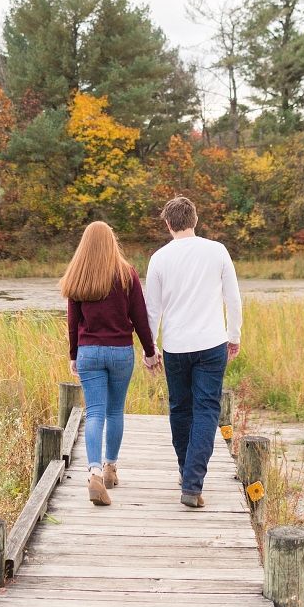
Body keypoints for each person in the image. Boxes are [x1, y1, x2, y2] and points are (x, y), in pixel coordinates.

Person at [144, 196, 242, 509]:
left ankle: (186, 473)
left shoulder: (159, 258)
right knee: (206, 411)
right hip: (212, 344)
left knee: (181, 409)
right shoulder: (217, 251)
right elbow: (234, 300)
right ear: (195, 221)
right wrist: (234, 336)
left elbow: (152, 311)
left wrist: (151, 349)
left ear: (169, 224)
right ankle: (192, 482)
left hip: (174, 348)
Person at [60, 220, 160, 506]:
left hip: (89, 352)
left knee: (94, 414)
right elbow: (140, 317)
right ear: (111, 242)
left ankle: (93, 473)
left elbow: (73, 323)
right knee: (115, 411)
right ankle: (110, 469)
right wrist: (150, 351)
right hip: (120, 352)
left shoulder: (78, 275)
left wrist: (73, 355)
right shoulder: (127, 274)